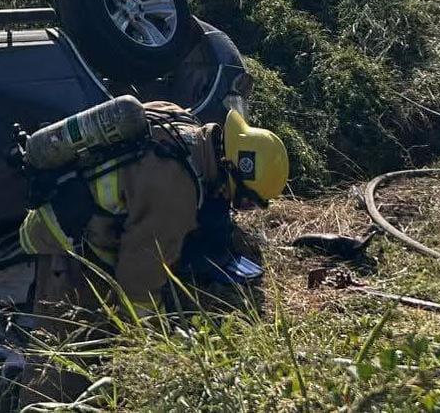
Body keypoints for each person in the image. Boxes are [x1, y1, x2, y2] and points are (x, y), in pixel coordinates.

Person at [18, 101, 289, 310]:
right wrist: (154, 338)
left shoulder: (176, 117)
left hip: (50, 204)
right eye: (244, 201)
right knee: (64, 372)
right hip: (62, 245)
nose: (237, 207)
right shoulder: (177, 195)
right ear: (231, 168)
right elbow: (138, 283)